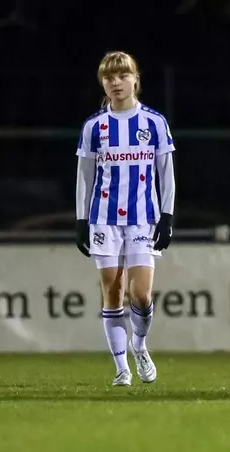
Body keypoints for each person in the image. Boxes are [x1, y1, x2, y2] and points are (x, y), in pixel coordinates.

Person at [75, 51, 175, 386]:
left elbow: (166, 173)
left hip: (143, 218)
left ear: (135, 79)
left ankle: (140, 345)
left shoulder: (154, 122)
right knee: (112, 290)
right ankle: (121, 368)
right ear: (103, 83)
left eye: (122, 76)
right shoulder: (95, 127)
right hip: (103, 219)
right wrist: (80, 221)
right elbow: (84, 177)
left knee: (142, 294)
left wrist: (167, 215)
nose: (116, 83)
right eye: (109, 77)